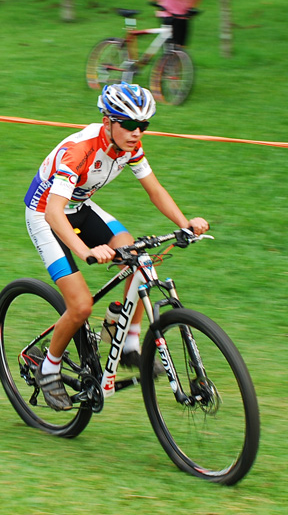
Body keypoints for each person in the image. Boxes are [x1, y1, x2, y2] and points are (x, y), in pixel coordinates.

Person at [23, 82, 208, 410]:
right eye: (130, 124)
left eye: (143, 125)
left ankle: (127, 342)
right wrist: (86, 251)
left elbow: (154, 189)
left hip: (80, 207)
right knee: (81, 306)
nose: (137, 132)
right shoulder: (80, 150)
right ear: (107, 121)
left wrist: (185, 224)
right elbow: (53, 212)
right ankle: (48, 367)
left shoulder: (129, 147)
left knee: (138, 259)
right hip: (45, 215)